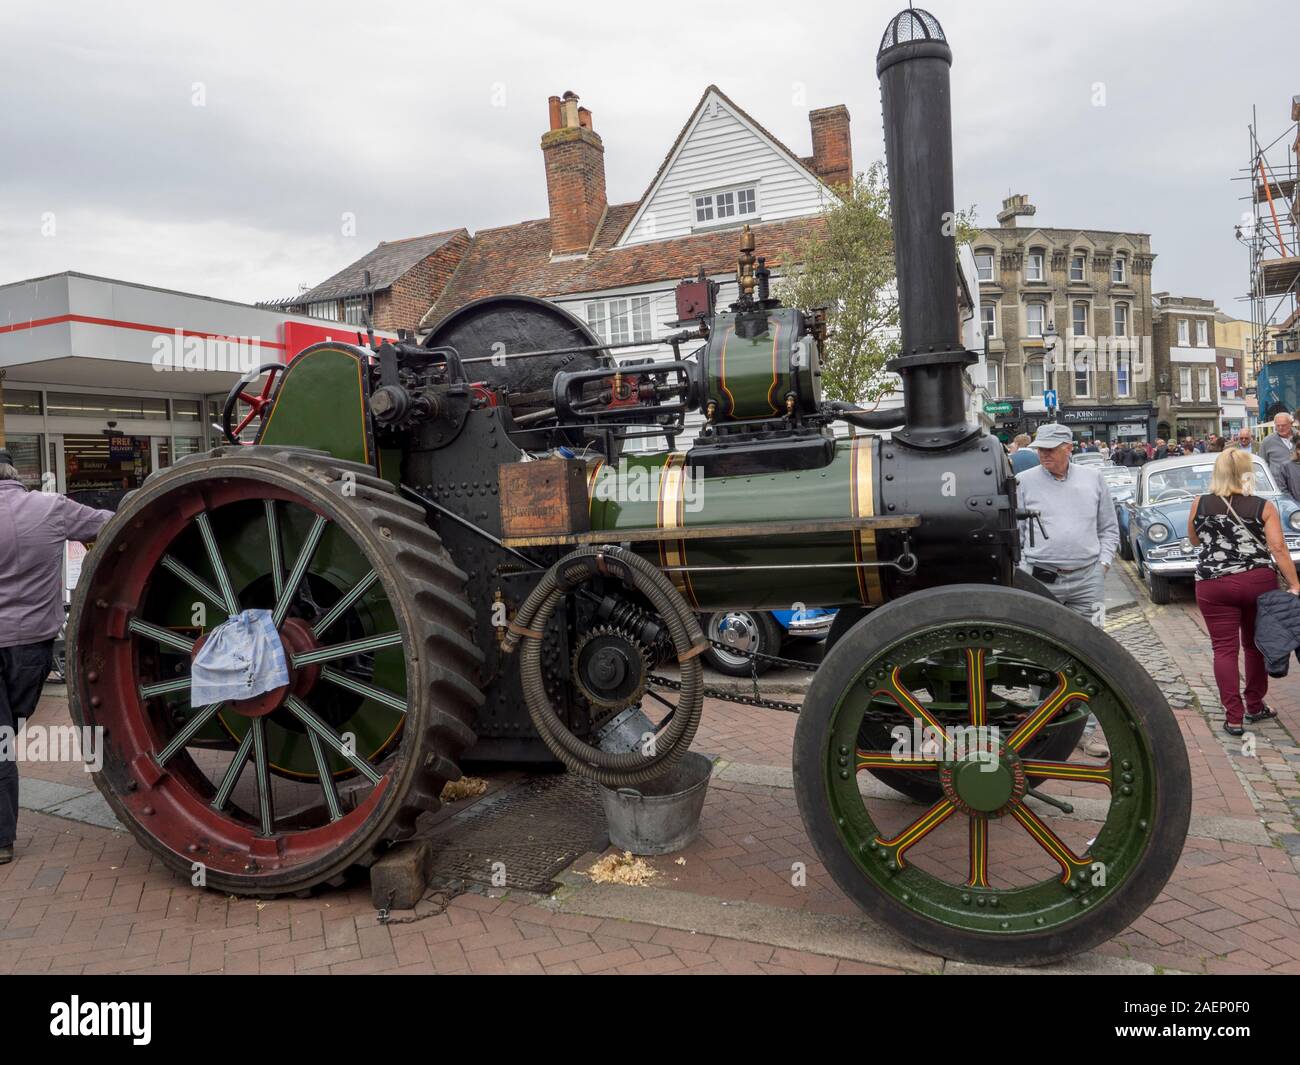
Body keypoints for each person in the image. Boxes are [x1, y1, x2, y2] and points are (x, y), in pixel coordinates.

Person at [0, 450, 113, 865]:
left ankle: (1, 837)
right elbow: (110, 524)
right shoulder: (51, 508)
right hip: (32, 643)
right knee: (7, 731)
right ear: (17, 475)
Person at [1016, 423, 1119, 757]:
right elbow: (1012, 532)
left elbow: (1108, 528)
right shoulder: (1023, 481)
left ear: (1068, 448)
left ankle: (1084, 731)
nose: (1043, 454)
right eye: (1040, 449)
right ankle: (1041, 727)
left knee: (1088, 655)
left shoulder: (1093, 479)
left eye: (1050, 449)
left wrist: (1102, 565)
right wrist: (1021, 571)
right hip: (1041, 579)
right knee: (1038, 653)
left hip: (1087, 578)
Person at [1189, 448, 1300, 736]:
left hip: (1213, 584)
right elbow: (1278, 547)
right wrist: (1294, 584)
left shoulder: (1199, 503)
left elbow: (1193, 539)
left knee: (1223, 649)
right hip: (1256, 582)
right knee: (1254, 645)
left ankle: (1233, 716)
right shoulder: (1263, 506)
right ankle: (1254, 704)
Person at [1259, 411, 1296, 486]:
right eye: (1277, 426)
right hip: (1278, 486)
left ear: (1291, 424)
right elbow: (1262, 464)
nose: (1280, 428)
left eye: (1283, 425)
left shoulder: (1298, 437)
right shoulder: (1267, 441)